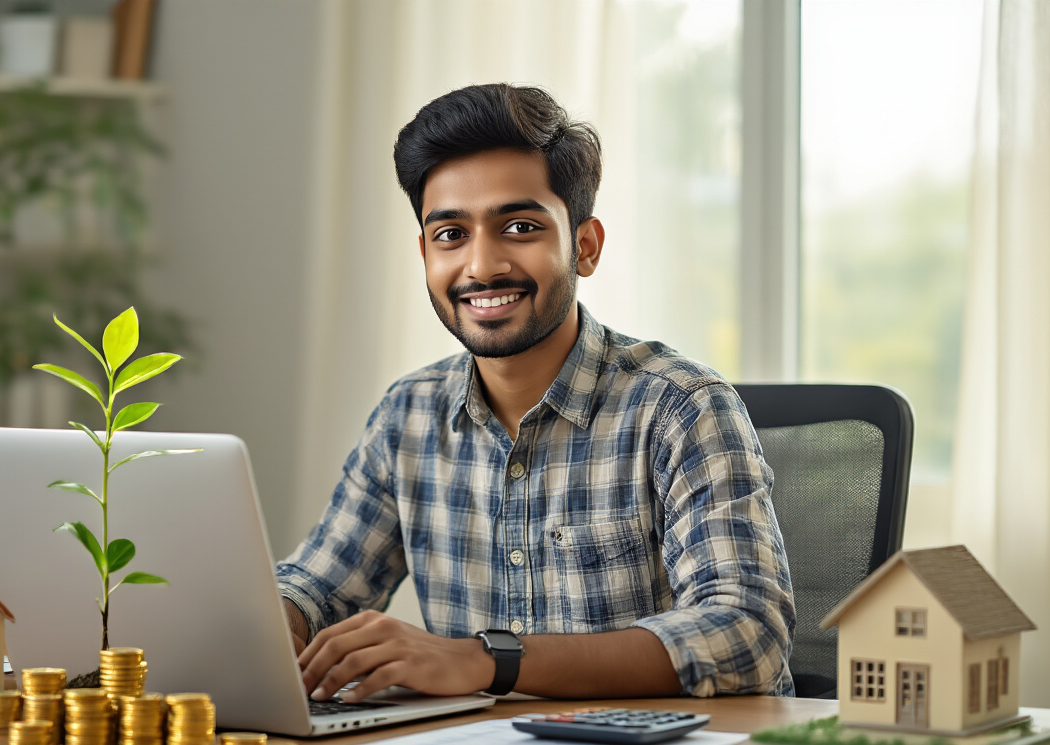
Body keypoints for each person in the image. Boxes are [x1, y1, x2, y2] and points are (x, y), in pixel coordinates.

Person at [275, 83, 794, 703]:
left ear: (584, 245)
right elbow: (321, 586)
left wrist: (486, 661)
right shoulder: (407, 416)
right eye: (450, 235)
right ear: (424, 253)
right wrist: (268, 623)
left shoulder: (680, 406)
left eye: (519, 227)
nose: (481, 266)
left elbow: (746, 631)